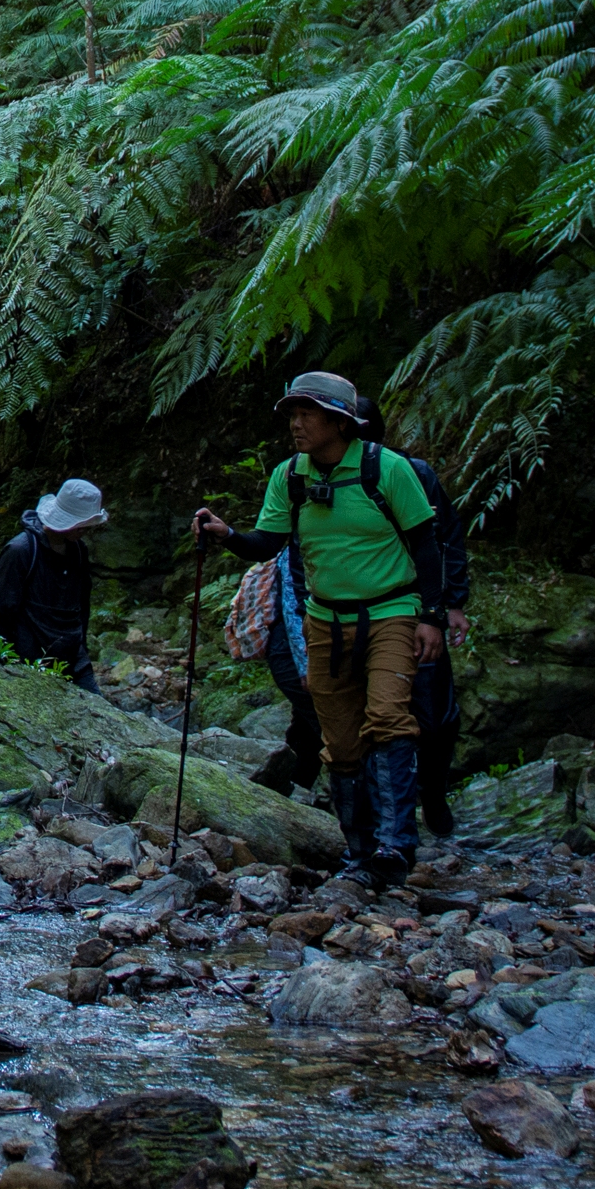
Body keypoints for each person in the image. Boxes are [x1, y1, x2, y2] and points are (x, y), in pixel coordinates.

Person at [193, 369, 446, 887]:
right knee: (341, 740)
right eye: (292, 414)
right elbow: (268, 545)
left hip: (392, 612)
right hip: (325, 622)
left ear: (339, 421)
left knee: (389, 720)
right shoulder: (291, 476)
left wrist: (433, 617)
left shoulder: (388, 470)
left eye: (307, 413)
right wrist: (226, 535)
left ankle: (396, 847)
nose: (296, 424)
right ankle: (358, 852)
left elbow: (426, 544)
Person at [0, 478, 105, 689]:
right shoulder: (21, 551)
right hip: (28, 661)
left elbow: (81, 606)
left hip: (74, 659)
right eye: (82, 524)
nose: (86, 529)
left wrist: (81, 645)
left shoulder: (78, 550)